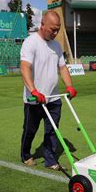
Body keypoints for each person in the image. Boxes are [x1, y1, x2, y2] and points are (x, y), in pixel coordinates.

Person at [19, 11, 77, 171]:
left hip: (53, 98)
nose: (55, 32)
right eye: (52, 29)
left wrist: (69, 86)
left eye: (57, 29)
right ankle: (25, 154)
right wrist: (33, 91)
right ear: (42, 25)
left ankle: (50, 160)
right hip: (34, 99)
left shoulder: (56, 46)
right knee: (30, 130)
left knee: (52, 130)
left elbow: (62, 67)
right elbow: (24, 67)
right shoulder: (31, 42)